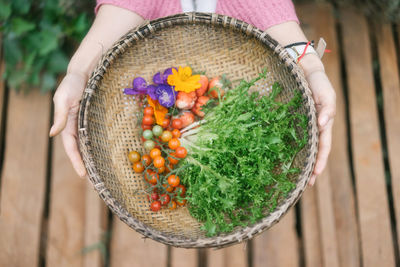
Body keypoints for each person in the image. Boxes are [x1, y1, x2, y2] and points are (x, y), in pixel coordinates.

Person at [49, 0, 336, 186]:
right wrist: (78, 73)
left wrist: (312, 68)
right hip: (162, 62)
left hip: (231, 59)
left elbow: (268, 7)